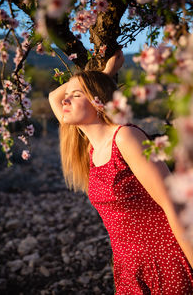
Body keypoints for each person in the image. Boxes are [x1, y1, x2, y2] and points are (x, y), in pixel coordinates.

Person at [49, 50, 193, 294]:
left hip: (165, 259)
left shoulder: (126, 137)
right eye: (69, 95)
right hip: (127, 266)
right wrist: (104, 75)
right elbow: (54, 96)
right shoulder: (89, 148)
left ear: (98, 101)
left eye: (76, 95)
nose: (66, 100)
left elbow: (173, 205)